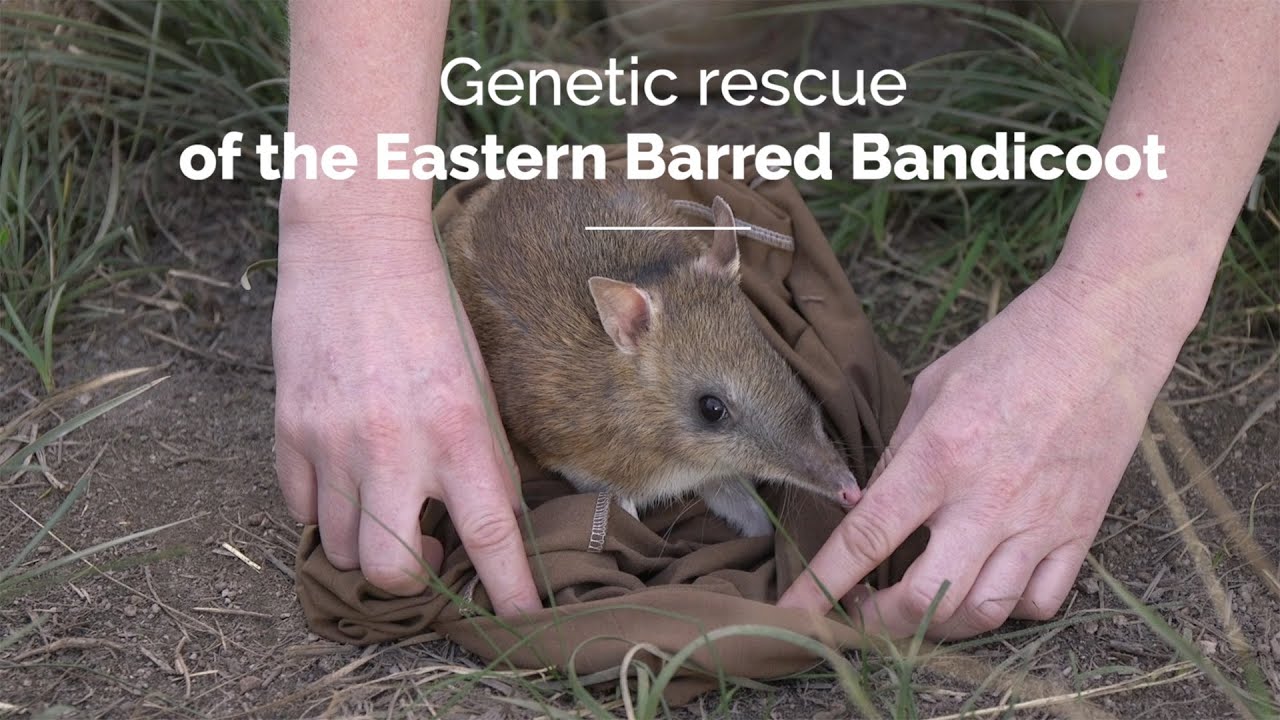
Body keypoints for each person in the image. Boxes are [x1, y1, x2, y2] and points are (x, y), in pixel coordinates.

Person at [273, 0, 1280, 636]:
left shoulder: (695, 336)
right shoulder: (609, 392)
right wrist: (348, 230)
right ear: (627, 326)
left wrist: (1111, 311)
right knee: (686, 27)